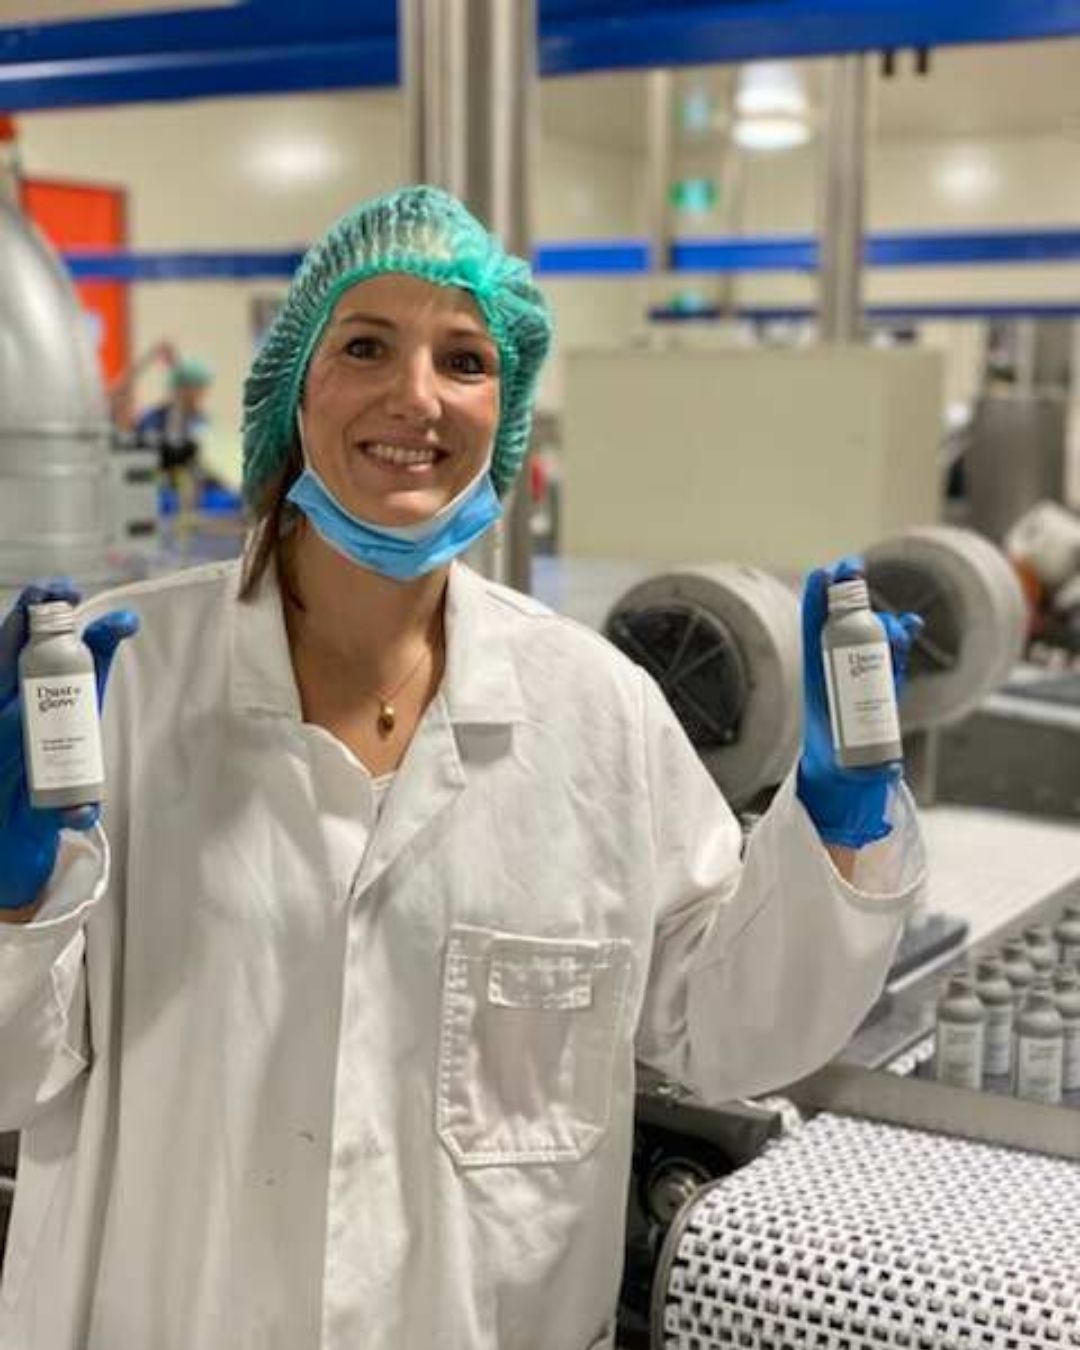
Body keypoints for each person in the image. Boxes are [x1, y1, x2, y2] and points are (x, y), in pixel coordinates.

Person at [0, 186, 925, 1350]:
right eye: (367, 346)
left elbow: (728, 1031)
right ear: (294, 385)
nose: (417, 398)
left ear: (511, 410)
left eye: (466, 360)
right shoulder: (119, 684)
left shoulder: (596, 714)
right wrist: (12, 901)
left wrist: (834, 826)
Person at [134, 354, 214, 478]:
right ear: (181, 389)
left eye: (202, 389)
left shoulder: (200, 420)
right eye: (197, 389)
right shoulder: (152, 420)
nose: (201, 395)